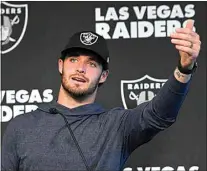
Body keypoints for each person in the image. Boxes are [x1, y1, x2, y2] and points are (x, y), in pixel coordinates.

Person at [1, 19, 201, 171]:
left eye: (92, 64)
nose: (81, 69)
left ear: (103, 75)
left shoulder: (117, 126)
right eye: (73, 60)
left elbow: (159, 115)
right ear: (60, 65)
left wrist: (184, 68)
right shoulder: (22, 126)